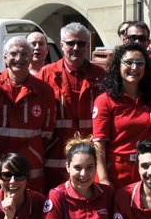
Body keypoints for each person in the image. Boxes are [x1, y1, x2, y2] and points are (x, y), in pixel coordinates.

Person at [0, 37, 56, 192]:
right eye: (13, 54)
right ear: (5, 57)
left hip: (30, 165)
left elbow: (47, 134)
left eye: (24, 54)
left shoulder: (44, 91)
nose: (19, 59)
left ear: (31, 57)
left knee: (29, 209)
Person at [38, 23, 107, 188]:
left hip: (90, 157)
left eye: (81, 44)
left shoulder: (101, 76)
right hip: (56, 158)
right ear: (61, 45)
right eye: (70, 43)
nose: (76, 47)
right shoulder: (46, 75)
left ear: (88, 46)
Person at [91, 43, 151, 188]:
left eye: (140, 63)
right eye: (129, 62)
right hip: (115, 172)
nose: (134, 67)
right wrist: (103, 179)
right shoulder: (105, 101)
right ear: (118, 65)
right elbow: (98, 144)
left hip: (145, 170)